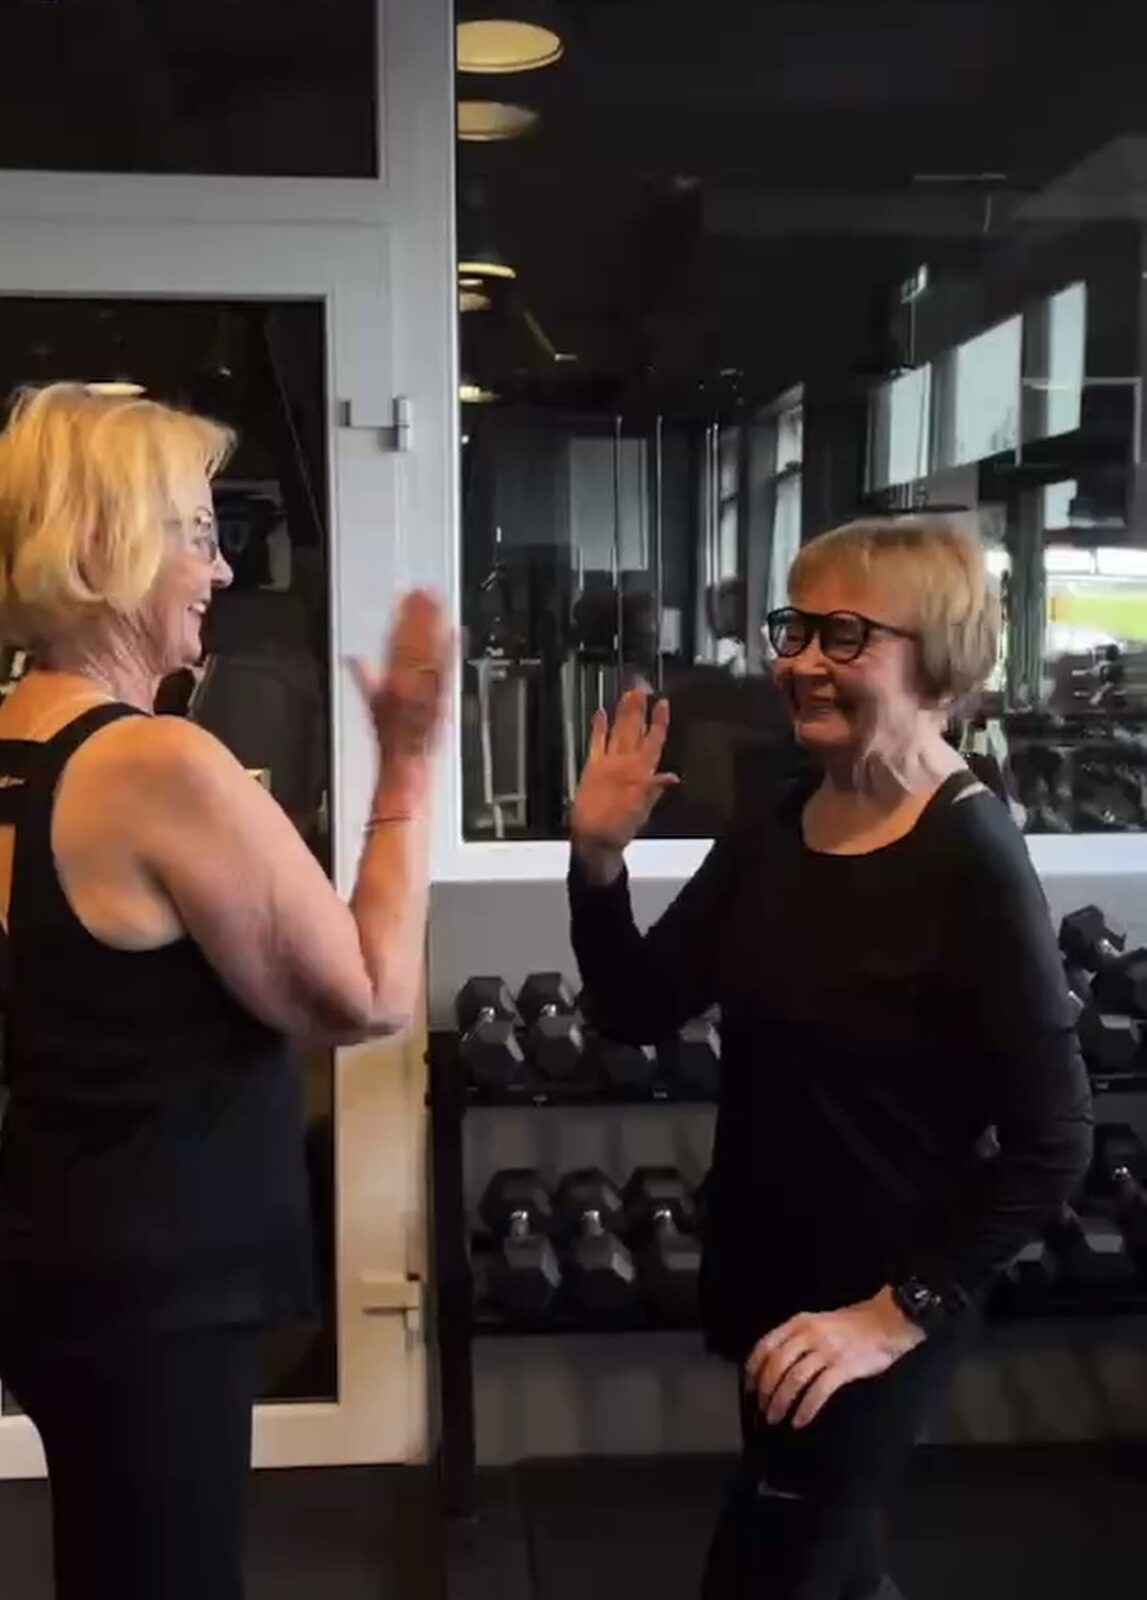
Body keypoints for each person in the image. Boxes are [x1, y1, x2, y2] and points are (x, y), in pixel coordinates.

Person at [567, 517, 1092, 1600]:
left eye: (843, 634)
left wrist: (890, 1316)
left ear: (936, 661)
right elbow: (634, 1006)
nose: (801, 660)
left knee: (772, 1568)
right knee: (827, 1566)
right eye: (795, 628)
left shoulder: (973, 856)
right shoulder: (783, 816)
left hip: (880, 1299)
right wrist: (597, 862)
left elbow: (1053, 1141)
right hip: (772, 1273)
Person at [0, 383, 449, 1600]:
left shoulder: (18, 742)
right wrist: (409, 765)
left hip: (56, 1253)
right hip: (155, 1295)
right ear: (108, 545)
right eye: (198, 533)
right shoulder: (153, 761)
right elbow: (367, 997)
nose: (221, 568)